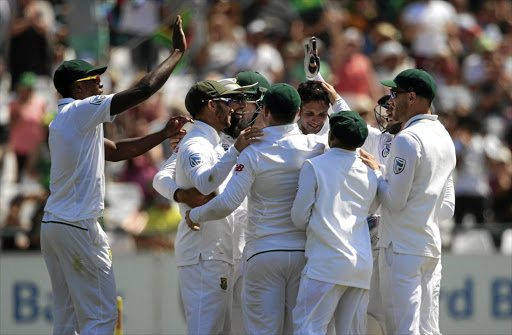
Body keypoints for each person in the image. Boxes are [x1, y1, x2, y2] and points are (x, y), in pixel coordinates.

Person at [40, 16, 191, 335]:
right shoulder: (81, 111)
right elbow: (144, 88)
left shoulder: (66, 121)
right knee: (102, 317)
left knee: (67, 319)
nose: (101, 84)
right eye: (95, 79)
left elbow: (118, 150)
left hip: (55, 225)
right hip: (78, 225)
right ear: (78, 87)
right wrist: (177, 53)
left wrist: (162, 134)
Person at [186, 83, 326, 335]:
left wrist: (194, 214)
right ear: (298, 113)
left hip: (264, 253)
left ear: (266, 112)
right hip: (305, 254)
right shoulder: (316, 147)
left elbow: (228, 203)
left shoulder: (253, 152)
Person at [360, 69, 456, 335]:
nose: (391, 100)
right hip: (430, 247)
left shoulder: (408, 138)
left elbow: (393, 202)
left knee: (403, 329)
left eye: (395, 94)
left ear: (411, 97)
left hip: (401, 249)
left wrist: (377, 170)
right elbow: (447, 207)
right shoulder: (444, 136)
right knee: (428, 329)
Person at [171, 79, 262, 335]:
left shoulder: (211, 142)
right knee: (206, 330)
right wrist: (236, 150)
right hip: (203, 254)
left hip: (217, 252)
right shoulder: (195, 144)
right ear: (211, 106)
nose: (233, 108)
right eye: (227, 103)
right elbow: (204, 182)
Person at [291, 111, 379, 335]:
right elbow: (372, 209)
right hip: (360, 265)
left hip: (325, 263)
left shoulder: (314, 166)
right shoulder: (370, 173)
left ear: (331, 137)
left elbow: (298, 217)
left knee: (308, 329)